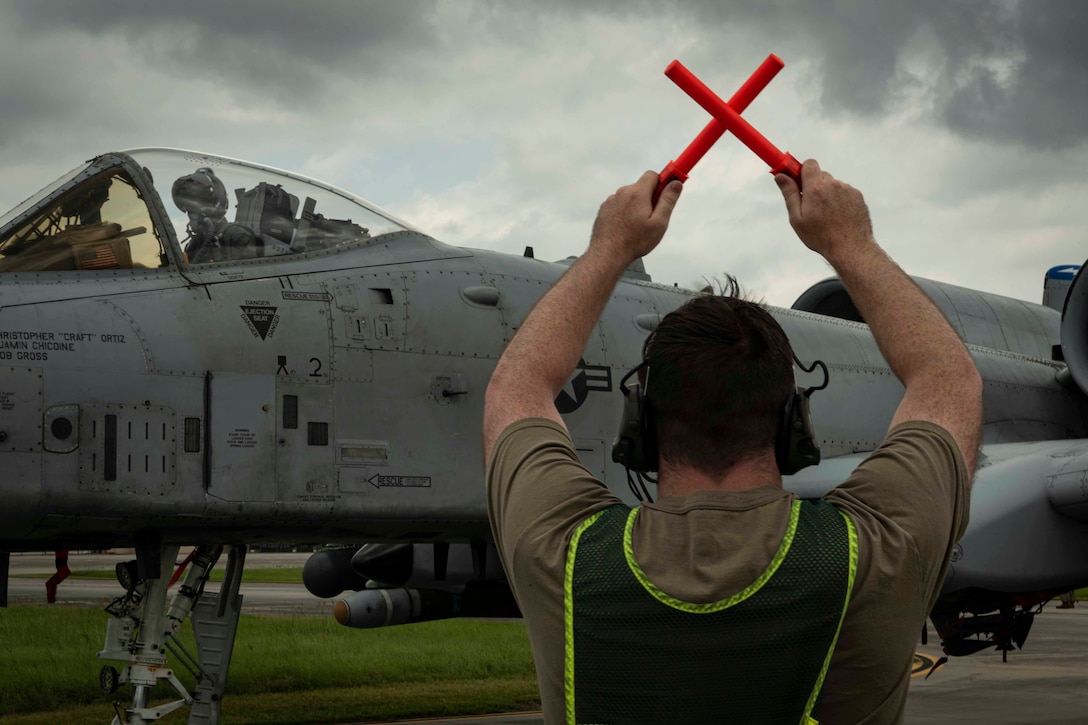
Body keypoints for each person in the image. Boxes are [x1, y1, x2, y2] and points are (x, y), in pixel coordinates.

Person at [483, 162, 981, 724]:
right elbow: (949, 379)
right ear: (794, 425)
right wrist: (851, 242)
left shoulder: (562, 553)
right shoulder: (877, 549)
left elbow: (516, 387)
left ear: (640, 426)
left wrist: (608, 248)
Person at [172, 167, 259, 263]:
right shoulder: (196, 243)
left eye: (196, 206)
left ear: (213, 204)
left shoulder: (237, 237)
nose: (191, 213)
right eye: (189, 207)